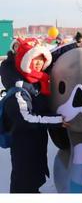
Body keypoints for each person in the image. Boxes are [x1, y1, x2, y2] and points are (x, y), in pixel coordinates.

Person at [2, 39, 64, 193]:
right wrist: (57, 120)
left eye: (41, 60)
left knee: (34, 179)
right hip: (24, 146)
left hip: (36, 144)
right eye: (35, 59)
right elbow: (26, 119)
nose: (38, 63)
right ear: (25, 60)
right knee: (23, 181)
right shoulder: (19, 90)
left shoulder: (38, 84)